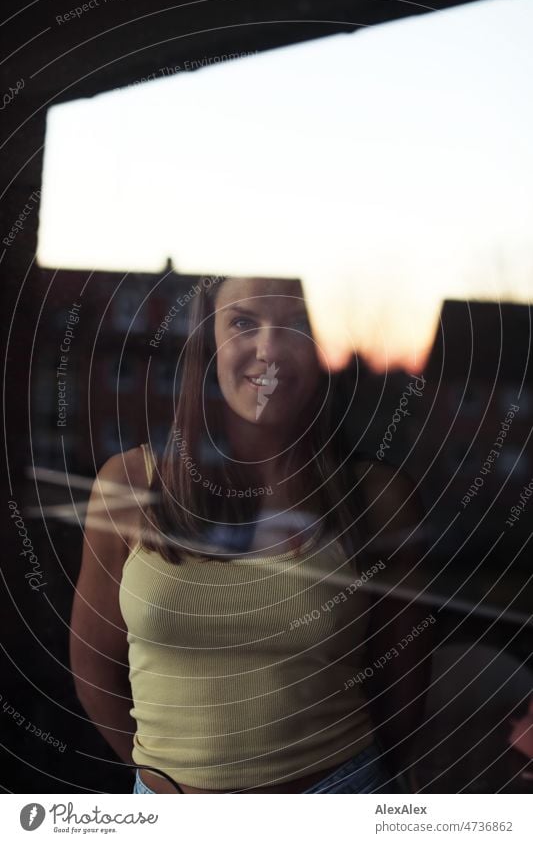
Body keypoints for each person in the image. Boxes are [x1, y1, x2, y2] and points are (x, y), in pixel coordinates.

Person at [70, 275, 432, 794]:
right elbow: (93, 666)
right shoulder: (127, 486)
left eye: (297, 325)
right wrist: (172, 786)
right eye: (243, 323)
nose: (269, 349)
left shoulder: (379, 499)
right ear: (207, 342)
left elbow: (402, 687)